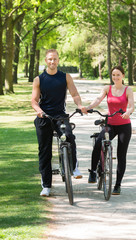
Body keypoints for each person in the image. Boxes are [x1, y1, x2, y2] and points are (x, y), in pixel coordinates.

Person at [31, 49, 84, 197]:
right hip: (44, 117)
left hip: (60, 115)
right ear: (45, 61)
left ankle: (73, 168)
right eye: (49, 59)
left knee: (69, 136)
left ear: (58, 60)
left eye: (54, 59)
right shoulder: (39, 79)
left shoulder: (65, 77)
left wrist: (79, 105)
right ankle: (46, 186)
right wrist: (38, 110)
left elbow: (75, 94)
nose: (52, 62)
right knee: (44, 151)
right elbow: (34, 101)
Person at [82, 66, 134, 195]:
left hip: (124, 126)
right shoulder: (107, 88)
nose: (115, 77)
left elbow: (132, 105)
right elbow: (98, 99)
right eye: (113, 75)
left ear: (123, 75)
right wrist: (87, 107)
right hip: (110, 124)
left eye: (118, 75)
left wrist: (128, 112)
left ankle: (117, 185)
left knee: (121, 155)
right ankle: (93, 172)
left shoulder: (128, 90)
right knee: (99, 142)